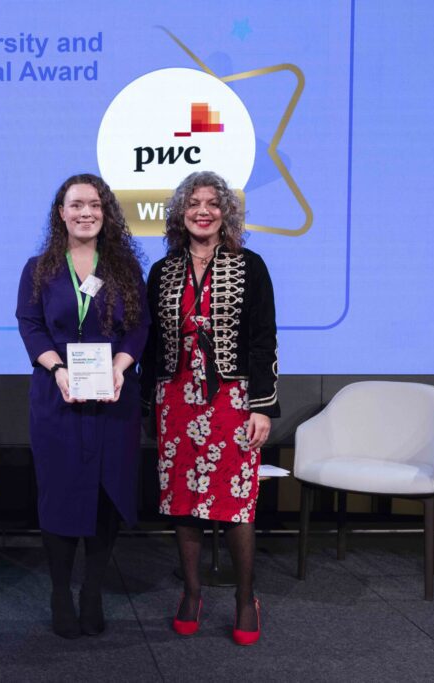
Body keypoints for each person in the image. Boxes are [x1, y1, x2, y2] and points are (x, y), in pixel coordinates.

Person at [140, 170, 279, 646]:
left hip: (233, 400)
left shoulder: (250, 265)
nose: (203, 210)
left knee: (236, 502)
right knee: (184, 500)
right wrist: (146, 405)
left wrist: (262, 407)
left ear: (226, 212)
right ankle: (193, 593)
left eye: (212, 203)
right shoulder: (163, 271)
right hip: (176, 398)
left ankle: (245, 598)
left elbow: (264, 340)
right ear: (180, 213)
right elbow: (151, 343)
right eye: (193, 203)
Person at [16, 173, 150, 638]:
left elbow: (138, 329)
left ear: (106, 211)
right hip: (58, 400)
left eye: (94, 204)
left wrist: (120, 366)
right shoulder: (38, 269)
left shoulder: (126, 269)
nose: (85, 212)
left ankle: (92, 591)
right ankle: (59, 592)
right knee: (59, 495)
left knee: (105, 495)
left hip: (114, 400)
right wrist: (58, 370)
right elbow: (31, 327)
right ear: (61, 213)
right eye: (76, 205)